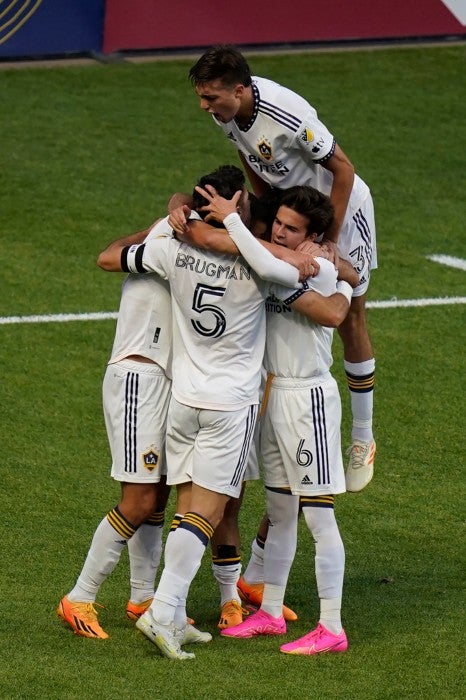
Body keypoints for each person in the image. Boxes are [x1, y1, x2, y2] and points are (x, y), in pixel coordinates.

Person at [97, 165, 314, 659]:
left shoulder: (174, 248)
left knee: (187, 506)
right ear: (238, 209)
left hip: (182, 402)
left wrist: (181, 215)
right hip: (229, 408)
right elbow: (295, 272)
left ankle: (170, 614)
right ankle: (162, 610)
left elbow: (113, 257)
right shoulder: (259, 264)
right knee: (207, 513)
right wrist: (310, 257)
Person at [187, 44, 377, 492]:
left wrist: (328, 244)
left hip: (341, 212)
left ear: (239, 89)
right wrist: (265, 214)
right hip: (291, 213)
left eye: (211, 97)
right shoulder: (227, 114)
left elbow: (344, 170)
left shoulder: (288, 114)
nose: (204, 107)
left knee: (350, 314)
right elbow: (253, 162)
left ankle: (363, 437)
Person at [208, 185, 358, 654]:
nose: (280, 231)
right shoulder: (284, 258)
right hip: (271, 394)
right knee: (279, 511)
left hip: (306, 397)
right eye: (278, 223)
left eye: (292, 228)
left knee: (318, 516)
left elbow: (332, 312)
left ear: (313, 235)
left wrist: (343, 277)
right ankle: (271, 613)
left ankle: (331, 626)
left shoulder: (316, 269)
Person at [57, 224, 174, 639]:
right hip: (137, 381)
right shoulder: (168, 242)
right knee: (139, 499)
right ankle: (79, 597)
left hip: (163, 381)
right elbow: (108, 256)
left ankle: (142, 598)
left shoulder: (183, 231)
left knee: (158, 492)